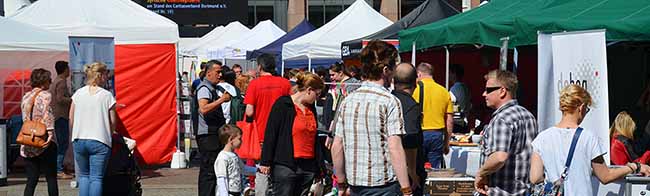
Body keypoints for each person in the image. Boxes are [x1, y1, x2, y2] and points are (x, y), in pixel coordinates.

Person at [530, 84, 650, 195]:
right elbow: (605, 176)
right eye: (587, 109)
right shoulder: (588, 138)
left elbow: (535, 178)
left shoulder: (542, 138)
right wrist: (634, 167)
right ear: (581, 108)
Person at [331, 40, 412, 196]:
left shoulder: (348, 100)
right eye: (394, 68)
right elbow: (395, 147)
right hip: (383, 184)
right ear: (386, 70)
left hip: (355, 184)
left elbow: (337, 145)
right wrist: (406, 189)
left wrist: (341, 183)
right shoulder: (390, 101)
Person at [258, 72, 324, 196]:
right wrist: (265, 161)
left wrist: (319, 166)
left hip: (308, 166)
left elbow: (314, 138)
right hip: (286, 165)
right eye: (317, 94)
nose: (318, 98)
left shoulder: (311, 109)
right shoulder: (283, 105)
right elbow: (271, 133)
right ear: (309, 90)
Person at [474, 69, 538, 196]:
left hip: (500, 191)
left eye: (488, 90)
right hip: (524, 191)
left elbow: (499, 157)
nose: (484, 94)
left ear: (502, 91)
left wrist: (481, 173)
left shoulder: (502, 118)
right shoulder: (528, 115)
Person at [244, 53, 292, 196]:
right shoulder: (285, 83)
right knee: (281, 169)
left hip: (261, 134)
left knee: (262, 170)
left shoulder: (255, 84)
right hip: (284, 134)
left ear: (260, 66)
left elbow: (249, 111)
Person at [70, 62, 116, 196]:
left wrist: (72, 136)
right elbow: (113, 120)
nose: (107, 77)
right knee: (96, 178)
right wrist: (111, 133)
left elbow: (71, 118)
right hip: (99, 139)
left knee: (84, 176)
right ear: (100, 75)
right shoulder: (107, 96)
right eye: (106, 74)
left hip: (79, 139)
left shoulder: (78, 93)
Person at [196, 60, 232, 196]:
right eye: (217, 72)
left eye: (221, 72)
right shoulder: (204, 88)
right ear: (209, 72)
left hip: (212, 135)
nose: (220, 75)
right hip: (207, 136)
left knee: (212, 170)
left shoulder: (210, 88)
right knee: (209, 171)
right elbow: (203, 109)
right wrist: (222, 100)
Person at [22, 68, 58, 196]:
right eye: (49, 79)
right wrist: (50, 134)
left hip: (28, 140)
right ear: (43, 82)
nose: (51, 82)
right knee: (51, 177)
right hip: (42, 139)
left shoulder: (26, 96)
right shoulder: (46, 95)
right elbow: (47, 115)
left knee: (31, 179)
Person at [391, 62, 426, 196]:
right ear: (415, 83)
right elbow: (410, 139)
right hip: (405, 173)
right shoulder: (411, 106)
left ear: (394, 81)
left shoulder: (388, 100)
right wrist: (412, 171)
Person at [412, 62, 453, 168]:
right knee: (435, 169)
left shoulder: (414, 90)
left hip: (419, 133)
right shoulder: (444, 91)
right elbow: (449, 120)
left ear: (419, 74)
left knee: (417, 168)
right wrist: (447, 142)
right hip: (437, 134)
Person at [215, 124, 256, 196]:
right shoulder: (222, 158)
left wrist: (257, 170)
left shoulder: (234, 155)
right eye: (239, 139)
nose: (241, 141)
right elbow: (222, 180)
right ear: (231, 140)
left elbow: (243, 169)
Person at [49, 61, 74, 179]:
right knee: (63, 143)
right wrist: (72, 99)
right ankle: (58, 169)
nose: (69, 71)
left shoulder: (56, 81)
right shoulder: (62, 82)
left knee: (61, 142)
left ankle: (59, 167)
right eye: (68, 68)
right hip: (61, 116)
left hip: (57, 115)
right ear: (64, 69)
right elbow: (60, 99)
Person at [449, 64, 472, 133]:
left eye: (450, 73)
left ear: (454, 74)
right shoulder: (466, 88)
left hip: (457, 123)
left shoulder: (455, 88)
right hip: (464, 122)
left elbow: (450, 103)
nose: (448, 75)